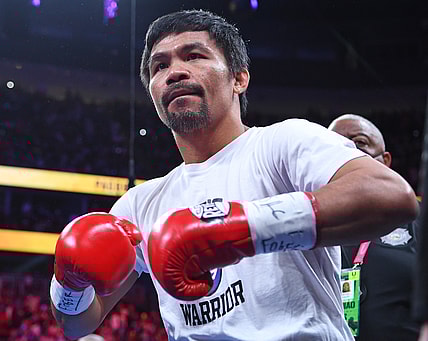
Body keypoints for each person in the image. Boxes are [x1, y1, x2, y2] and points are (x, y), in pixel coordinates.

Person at [49, 10, 419, 340]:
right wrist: (69, 282)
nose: (174, 71)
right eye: (159, 66)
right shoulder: (140, 205)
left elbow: (391, 195)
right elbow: (77, 324)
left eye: (194, 56)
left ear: (239, 79)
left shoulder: (283, 143)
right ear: (153, 93)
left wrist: (240, 229)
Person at [328, 113, 422, 340]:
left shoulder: (418, 220)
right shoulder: (300, 230)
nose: (348, 150)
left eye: (359, 142)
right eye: (335, 144)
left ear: (386, 161)